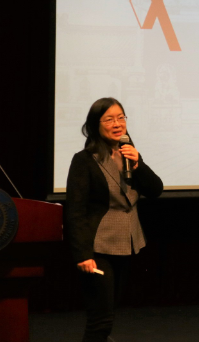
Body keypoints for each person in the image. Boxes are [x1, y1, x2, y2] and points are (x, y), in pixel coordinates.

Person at [65, 97, 164, 342]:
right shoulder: (85, 160)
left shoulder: (129, 154)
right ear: (95, 124)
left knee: (109, 312)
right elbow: (75, 211)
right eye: (109, 119)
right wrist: (82, 254)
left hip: (126, 242)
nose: (117, 124)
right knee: (100, 319)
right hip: (98, 246)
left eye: (121, 118)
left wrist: (138, 164)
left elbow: (155, 190)